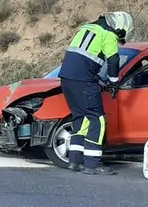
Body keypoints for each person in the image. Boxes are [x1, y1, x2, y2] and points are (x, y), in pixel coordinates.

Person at [57, 11, 133, 176]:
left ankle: (75, 161)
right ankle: (92, 164)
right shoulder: (108, 35)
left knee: (80, 118)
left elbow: (82, 60)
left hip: (67, 80)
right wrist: (113, 82)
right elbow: (113, 61)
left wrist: (98, 80)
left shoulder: (86, 29)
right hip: (84, 81)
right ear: (120, 28)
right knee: (97, 119)